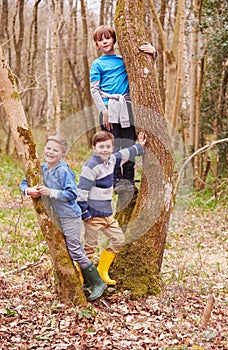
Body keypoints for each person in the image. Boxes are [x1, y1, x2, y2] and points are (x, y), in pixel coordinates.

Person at [20, 135, 106, 301]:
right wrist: (28, 190)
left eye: (55, 150)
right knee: (68, 249)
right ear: (44, 149)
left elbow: (72, 193)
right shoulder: (42, 168)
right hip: (57, 216)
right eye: (49, 148)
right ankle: (87, 281)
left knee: (74, 249)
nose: (50, 152)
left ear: (62, 155)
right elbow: (24, 182)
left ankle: (98, 282)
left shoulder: (63, 171)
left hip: (70, 216)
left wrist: (51, 192)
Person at [90, 24, 156, 193]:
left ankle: (128, 180)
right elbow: (94, 89)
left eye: (107, 38)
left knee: (128, 143)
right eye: (100, 40)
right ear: (96, 44)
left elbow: (142, 70)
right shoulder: (97, 64)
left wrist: (153, 54)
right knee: (111, 145)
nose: (105, 42)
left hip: (126, 107)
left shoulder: (123, 60)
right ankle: (115, 179)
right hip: (108, 108)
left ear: (114, 39)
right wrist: (103, 110)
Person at [77, 130, 146, 285]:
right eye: (101, 146)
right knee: (89, 247)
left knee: (118, 239)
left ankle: (102, 270)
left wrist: (140, 146)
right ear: (94, 148)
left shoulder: (112, 160)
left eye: (108, 146)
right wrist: (85, 212)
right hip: (93, 215)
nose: (105, 150)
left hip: (108, 214)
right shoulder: (90, 167)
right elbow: (81, 192)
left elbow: (126, 153)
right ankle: (83, 277)